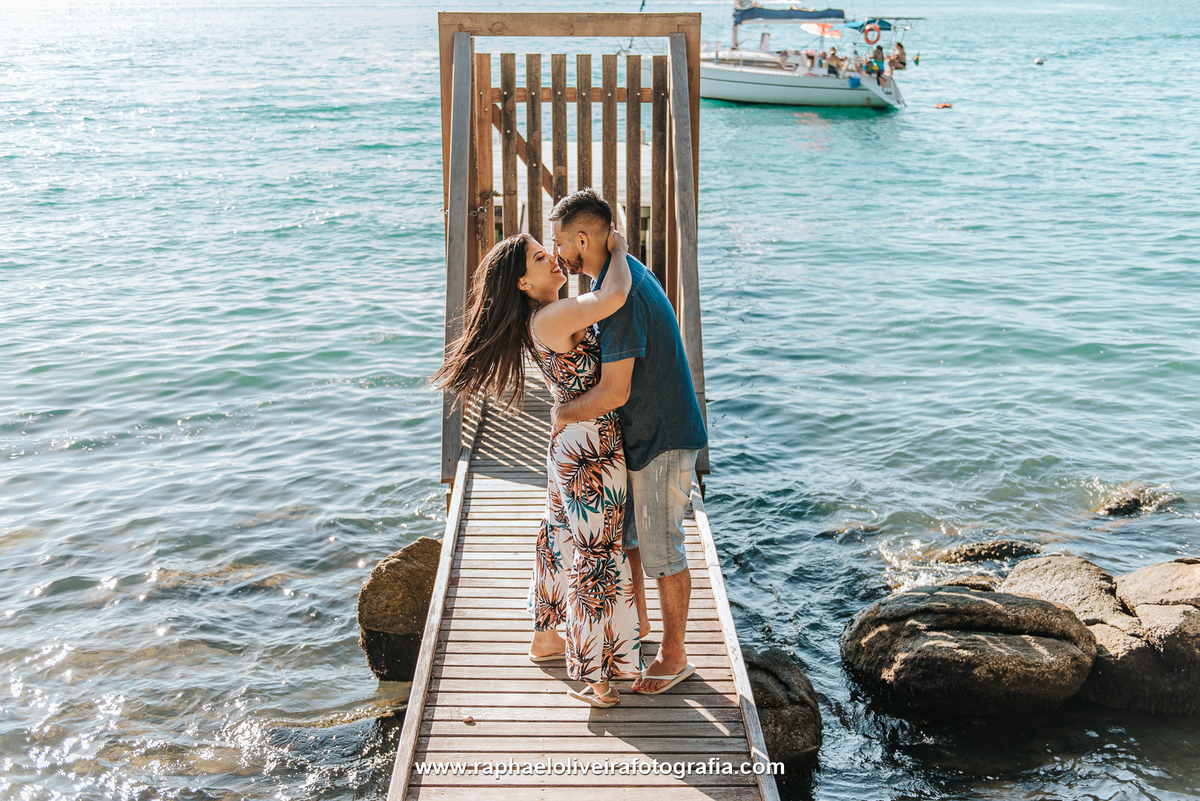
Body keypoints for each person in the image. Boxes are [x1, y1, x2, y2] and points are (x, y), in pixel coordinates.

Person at [432, 229, 640, 709]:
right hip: (591, 447)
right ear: (523, 283)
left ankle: (546, 637)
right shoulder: (553, 315)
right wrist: (620, 248)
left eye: (548, 252)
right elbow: (614, 294)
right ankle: (596, 675)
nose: (552, 259)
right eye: (540, 257)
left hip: (570, 443)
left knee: (559, 535)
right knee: (596, 553)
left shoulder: (541, 319)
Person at [548, 188, 708, 696]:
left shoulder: (621, 296)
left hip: (662, 437)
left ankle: (674, 656)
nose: (556, 253)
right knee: (637, 546)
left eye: (559, 241)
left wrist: (562, 413)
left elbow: (613, 392)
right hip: (647, 436)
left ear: (581, 238)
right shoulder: (619, 273)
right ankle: (633, 648)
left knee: (663, 552)